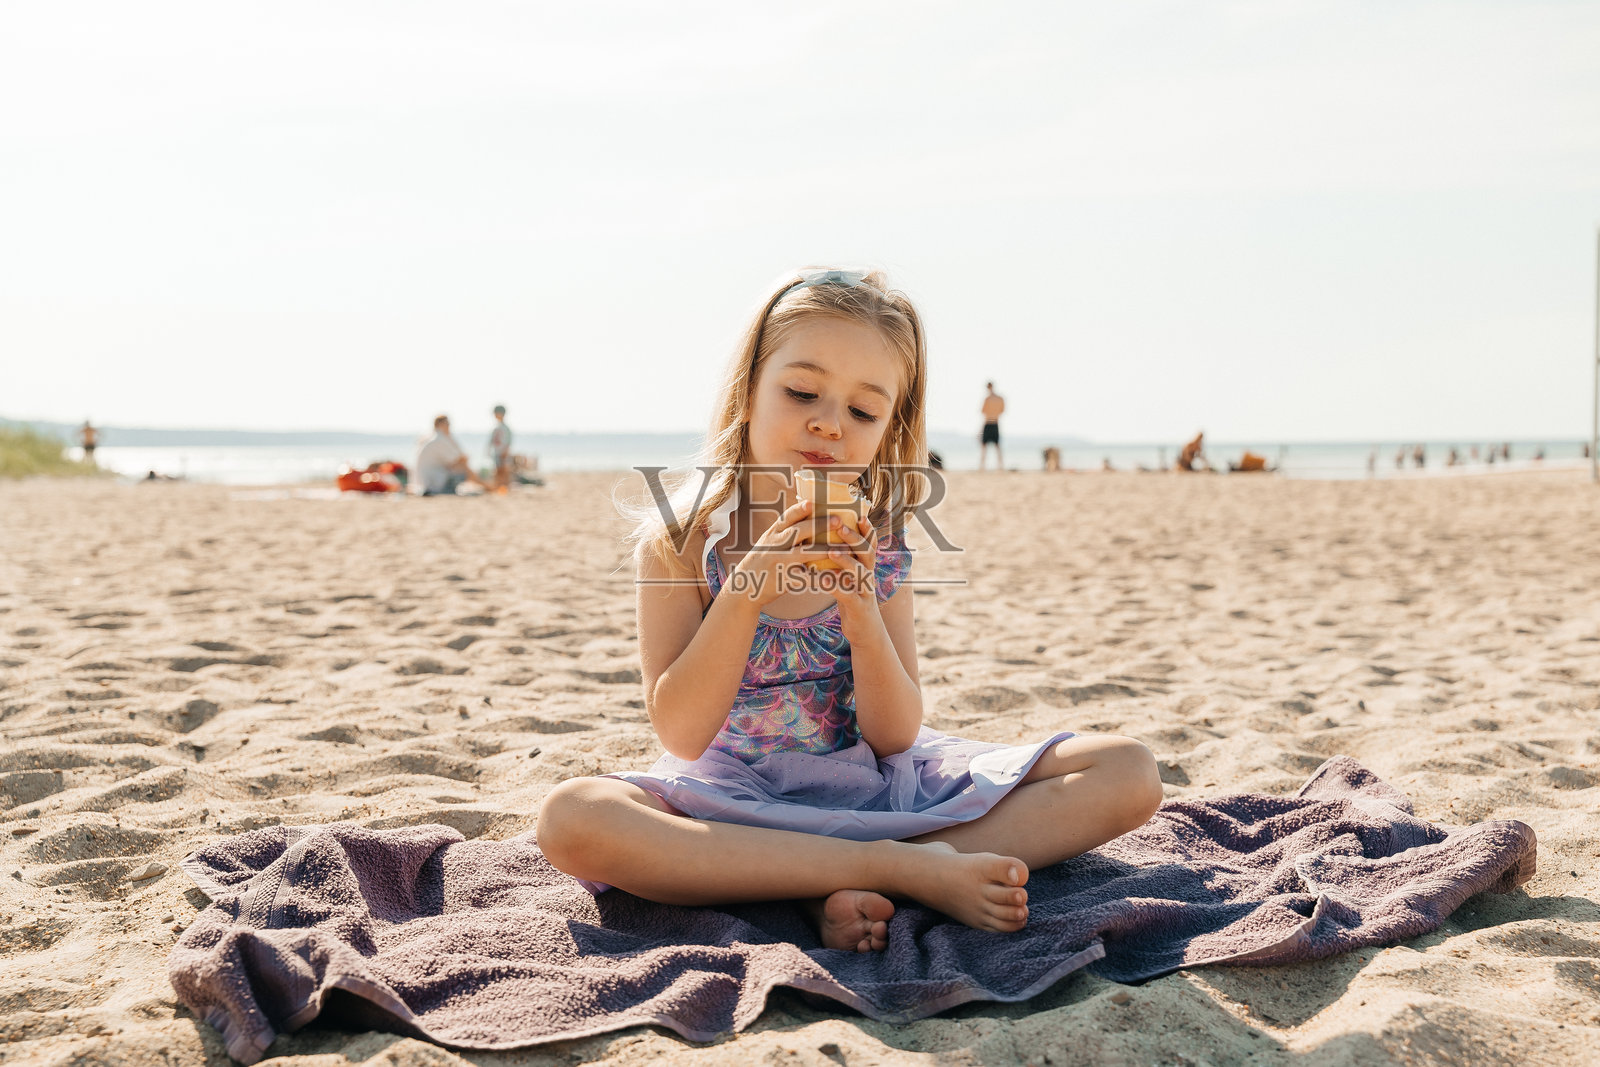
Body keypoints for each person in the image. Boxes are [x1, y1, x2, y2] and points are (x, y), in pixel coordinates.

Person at [535, 268, 1163, 952]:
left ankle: (820, 880)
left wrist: (861, 608)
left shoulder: (881, 545)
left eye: (863, 412)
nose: (829, 423)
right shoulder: (681, 545)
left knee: (1127, 769)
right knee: (574, 818)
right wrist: (748, 588)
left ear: (888, 430)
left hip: (869, 789)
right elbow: (683, 735)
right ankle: (897, 869)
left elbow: (895, 735)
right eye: (802, 391)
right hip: (738, 804)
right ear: (747, 389)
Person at [414, 415, 485, 496]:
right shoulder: (440, 439)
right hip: (434, 483)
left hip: (426, 482)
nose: (449, 426)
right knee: (463, 468)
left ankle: (485, 486)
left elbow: (455, 459)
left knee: (461, 466)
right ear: (440, 425)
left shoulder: (431, 437)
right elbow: (459, 458)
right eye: (447, 423)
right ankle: (486, 486)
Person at [978, 382, 1005, 471]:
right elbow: (1002, 410)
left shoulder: (987, 399)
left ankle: (982, 466)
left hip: (988, 423)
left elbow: (983, 412)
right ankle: (1000, 466)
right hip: (995, 423)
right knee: (997, 446)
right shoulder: (1000, 399)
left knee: (984, 446)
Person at [487, 405, 514, 491]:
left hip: (502, 452)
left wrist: (506, 451)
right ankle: (498, 486)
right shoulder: (496, 427)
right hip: (497, 451)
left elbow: (508, 442)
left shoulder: (505, 428)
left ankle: (505, 486)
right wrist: (488, 450)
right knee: (497, 470)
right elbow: (492, 441)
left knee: (503, 470)